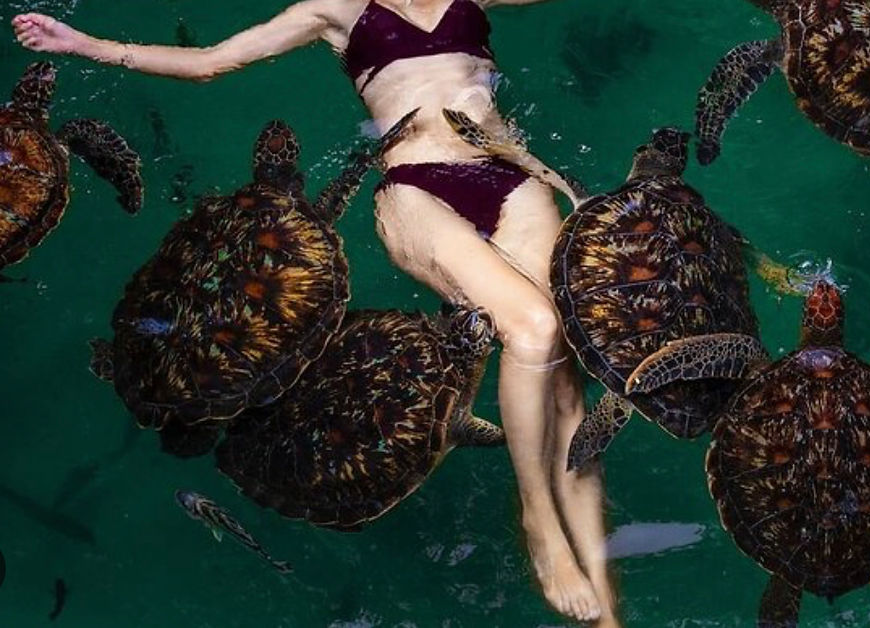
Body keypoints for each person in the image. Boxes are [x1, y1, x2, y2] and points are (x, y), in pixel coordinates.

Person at [12, 2, 619, 624]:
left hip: (512, 179)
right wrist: (79, 42)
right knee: (534, 327)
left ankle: (605, 606)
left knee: (568, 387)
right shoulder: (334, 9)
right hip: (418, 188)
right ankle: (538, 520)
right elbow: (210, 62)